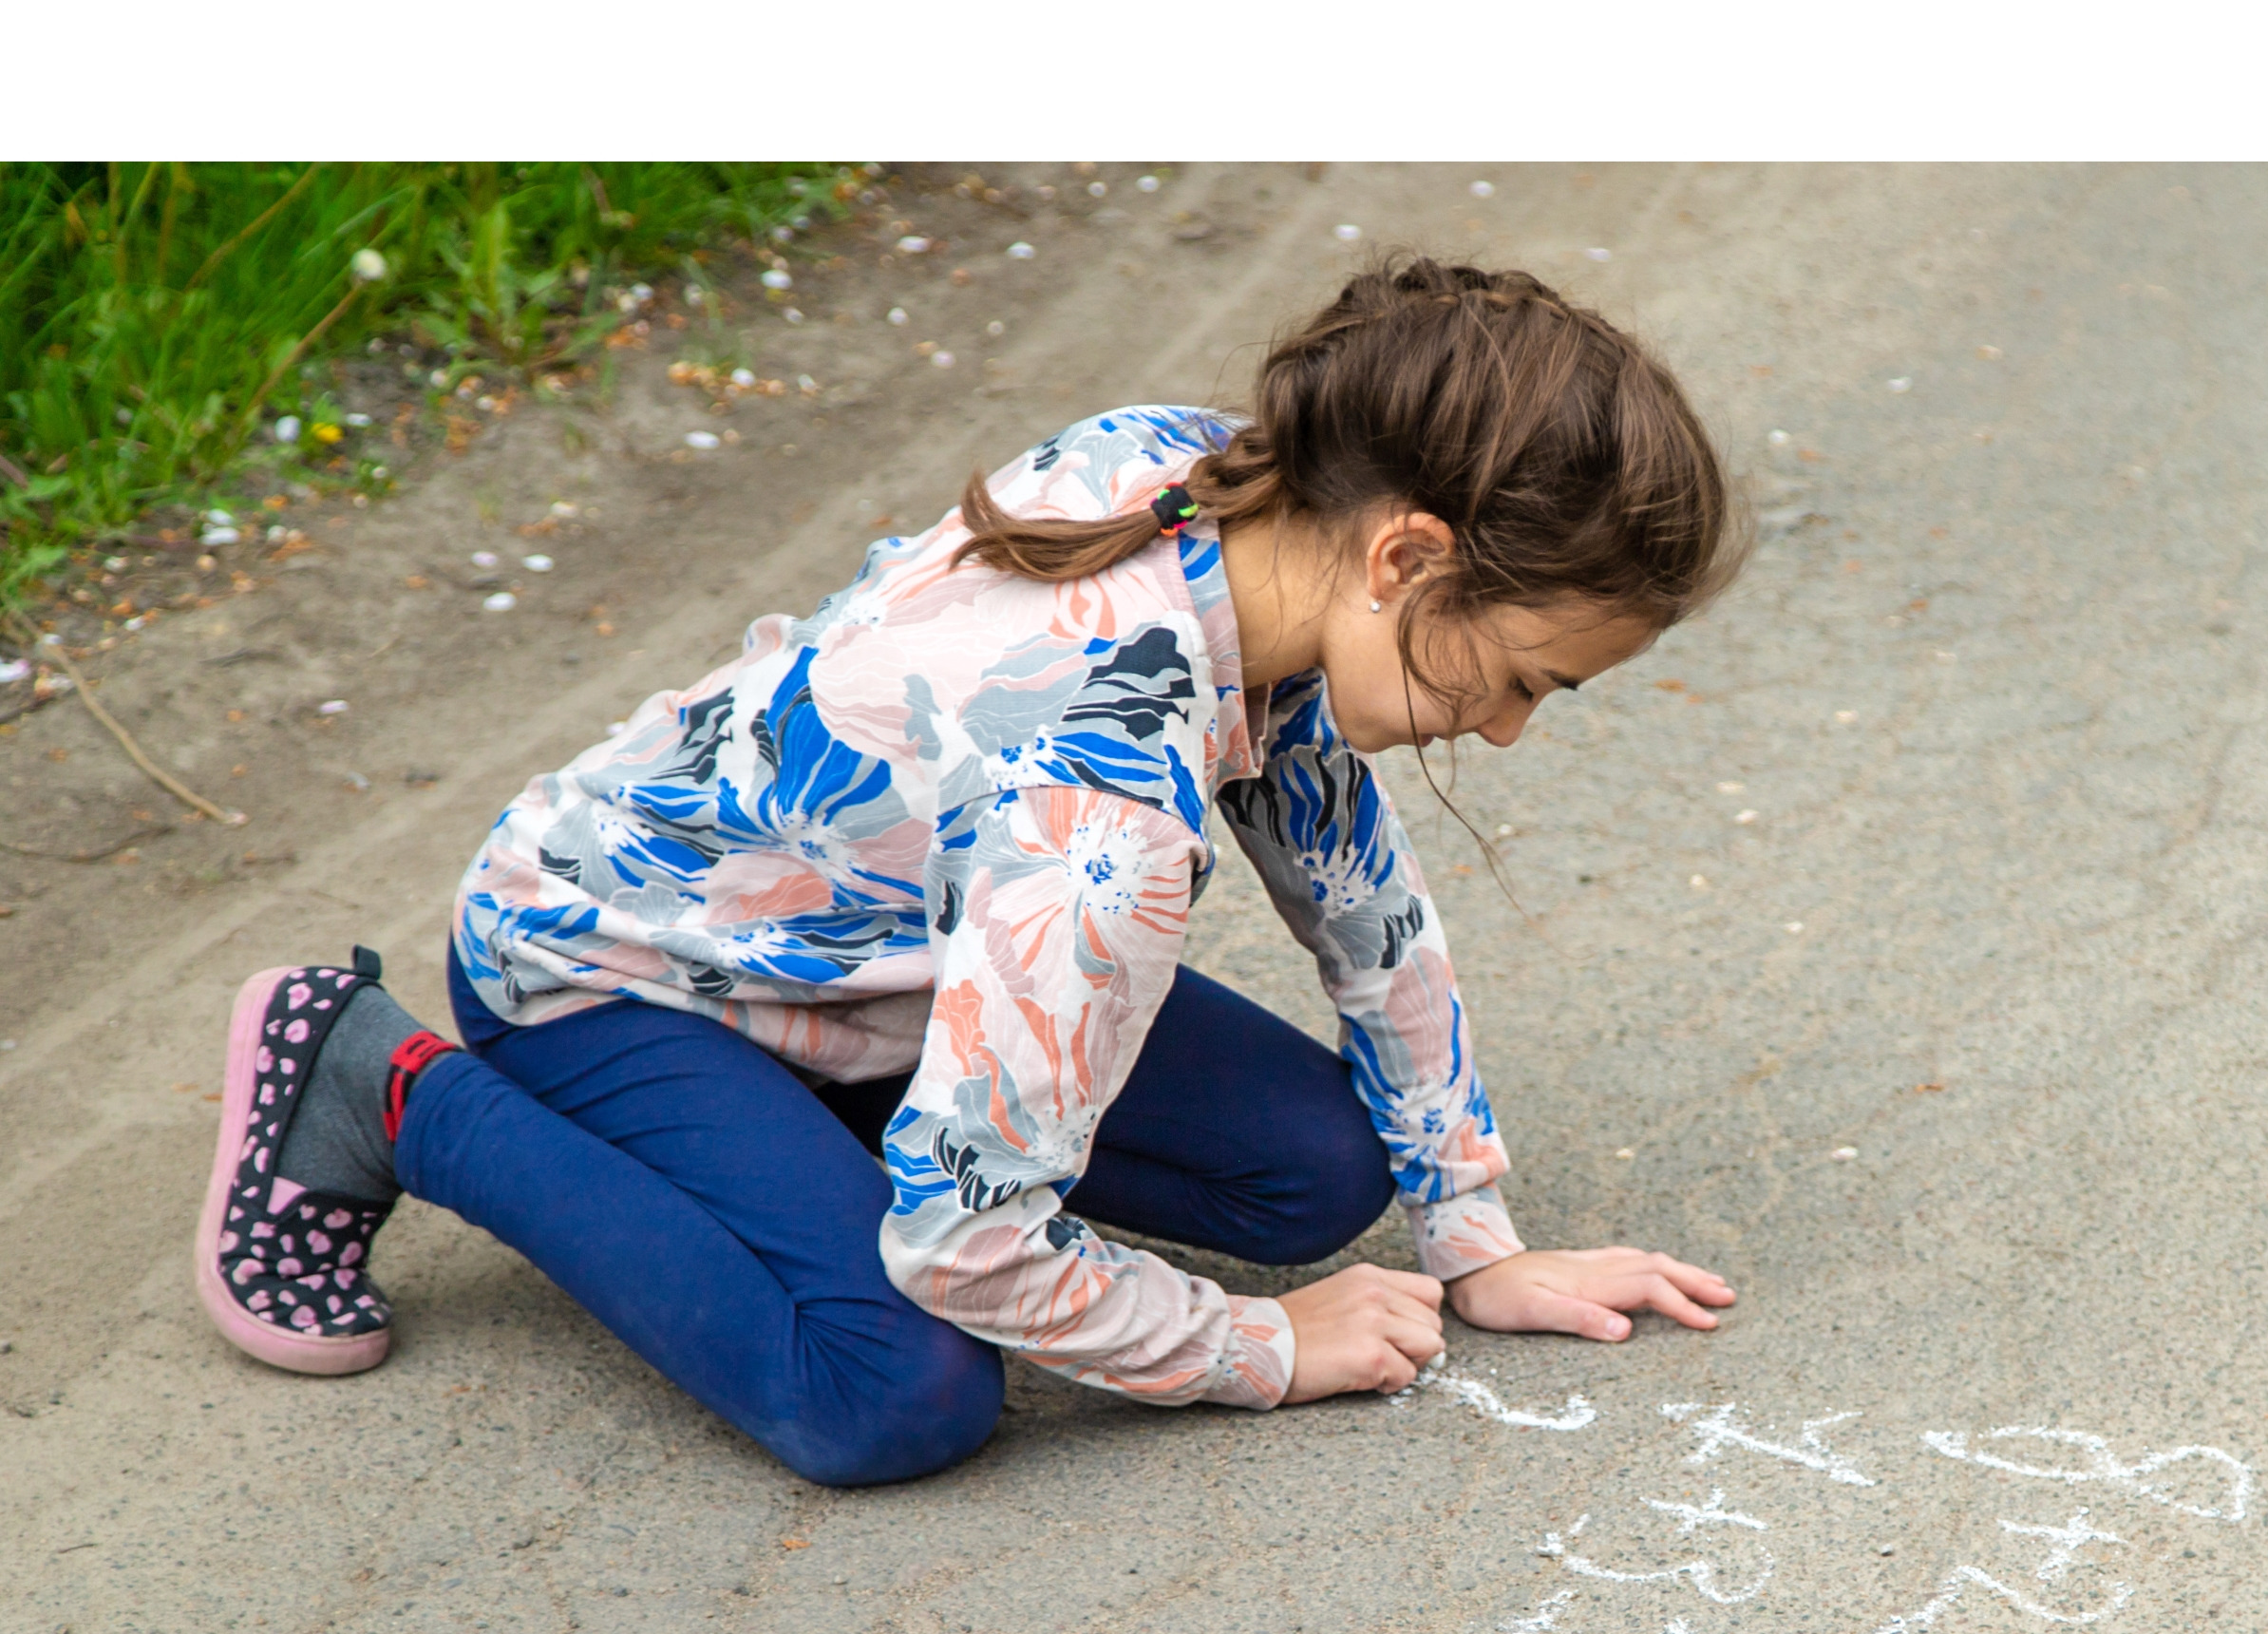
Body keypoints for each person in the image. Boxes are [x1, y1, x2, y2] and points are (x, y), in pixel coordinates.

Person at [188, 256, 1744, 1487]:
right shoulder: (1102, 817)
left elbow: (1355, 888)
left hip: (875, 957)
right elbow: (967, 1250)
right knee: (892, 1387)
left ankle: (835, 1132)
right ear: (1405, 554)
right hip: (608, 969)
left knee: (1319, 1171)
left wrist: (1471, 1229)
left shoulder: (1223, 483)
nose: (1509, 728)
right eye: (1524, 676)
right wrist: (1258, 1345)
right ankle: (381, 1085)